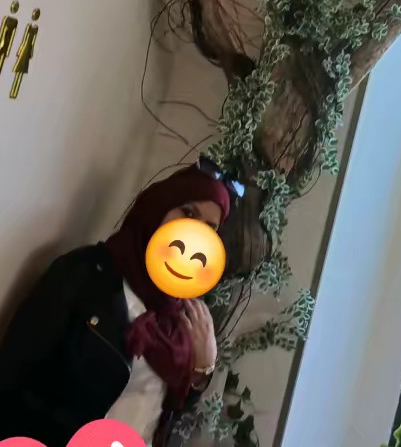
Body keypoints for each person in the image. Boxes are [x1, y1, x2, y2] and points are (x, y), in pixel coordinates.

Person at [0, 161, 236, 446]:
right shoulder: (84, 274)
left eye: (210, 228)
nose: (195, 236)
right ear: (158, 209)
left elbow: (161, 404)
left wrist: (202, 369)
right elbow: (13, 377)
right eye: (188, 213)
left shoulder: (181, 316)